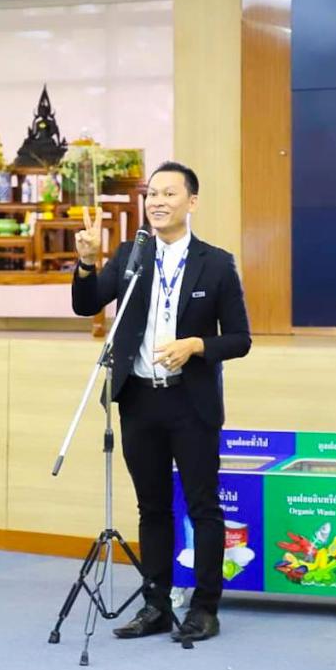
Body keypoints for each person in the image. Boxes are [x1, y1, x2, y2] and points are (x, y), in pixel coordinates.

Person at [71, 161, 251, 642]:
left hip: (191, 403)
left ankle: (205, 608)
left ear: (192, 202)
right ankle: (155, 603)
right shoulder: (132, 255)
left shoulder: (216, 263)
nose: (157, 202)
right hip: (139, 400)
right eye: (152, 194)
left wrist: (196, 345)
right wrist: (87, 262)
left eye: (169, 193)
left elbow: (239, 339)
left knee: (202, 507)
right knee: (151, 508)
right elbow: (87, 304)